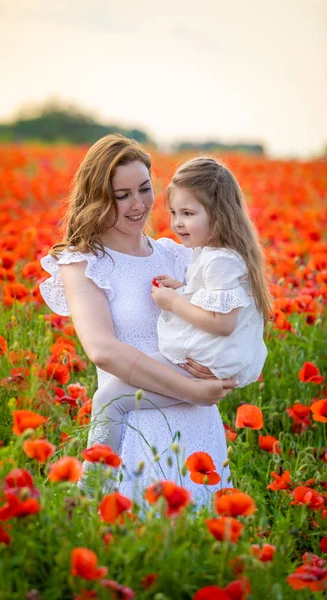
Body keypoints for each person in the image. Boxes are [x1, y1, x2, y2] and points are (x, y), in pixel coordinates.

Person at [39, 134, 236, 506]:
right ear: (97, 197)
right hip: (134, 429)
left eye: (144, 189)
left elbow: (225, 319)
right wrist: (192, 389)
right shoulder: (85, 263)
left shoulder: (177, 256)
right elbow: (103, 351)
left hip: (198, 429)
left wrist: (222, 373)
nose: (138, 204)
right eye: (121, 194)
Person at [91, 156, 272, 454]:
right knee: (110, 399)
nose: (177, 223)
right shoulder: (210, 253)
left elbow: (223, 322)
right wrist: (185, 291)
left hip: (201, 364)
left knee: (107, 400)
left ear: (219, 215)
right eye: (174, 212)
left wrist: (174, 302)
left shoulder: (220, 259)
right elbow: (213, 300)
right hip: (205, 361)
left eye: (188, 213)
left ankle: (94, 477)